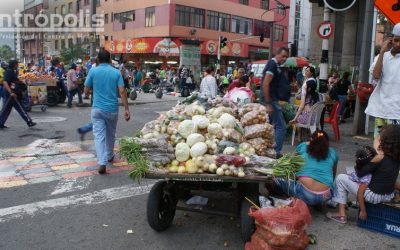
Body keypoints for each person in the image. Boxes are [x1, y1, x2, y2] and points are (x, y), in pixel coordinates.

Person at [327, 124, 400, 224]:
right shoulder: (396, 158)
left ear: (384, 140)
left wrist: (362, 160)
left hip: (374, 196)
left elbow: (360, 173)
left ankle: (341, 214)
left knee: (341, 178)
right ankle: (338, 202)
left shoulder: (380, 157)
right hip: (388, 195)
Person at [84, 49, 131, 174]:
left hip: (97, 109)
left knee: (99, 136)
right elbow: (122, 91)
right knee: (110, 134)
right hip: (112, 110)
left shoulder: (93, 71)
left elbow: (86, 91)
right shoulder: (116, 73)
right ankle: (110, 155)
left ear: (98, 60)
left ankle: (102, 162)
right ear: (110, 60)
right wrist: (126, 109)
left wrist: (88, 94)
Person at [274, 130, 338, 205]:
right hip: (326, 196)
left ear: (310, 140)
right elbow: (333, 175)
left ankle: (298, 198)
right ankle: (313, 202)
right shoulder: (333, 152)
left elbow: (292, 167)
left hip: (307, 193)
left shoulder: (303, 146)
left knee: (275, 179)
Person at [366, 23, 400, 139]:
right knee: (378, 146)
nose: (398, 44)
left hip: (397, 113)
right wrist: (381, 53)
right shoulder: (382, 57)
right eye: (396, 40)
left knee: (395, 149)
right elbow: (375, 76)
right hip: (381, 111)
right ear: (391, 39)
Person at [260, 47, 291, 158]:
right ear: (277, 54)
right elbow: (265, 83)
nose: (284, 59)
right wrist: (268, 103)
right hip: (270, 100)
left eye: (286, 57)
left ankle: (268, 150)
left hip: (273, 99)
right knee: (281, 126)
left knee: (269, 127)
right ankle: (276, 152)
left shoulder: (276, 65)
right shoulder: (272, 65)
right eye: (283, 56)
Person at [0, 60, 36, 129]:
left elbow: (13, 81)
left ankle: (1, 123)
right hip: (11, 93)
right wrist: (11, 92)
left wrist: (21, 82)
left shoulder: (14, 71)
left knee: (6, 109)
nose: (18, 65)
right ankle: (29, 122)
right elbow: (5, 83)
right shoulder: (9, 71)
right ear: (14, 65)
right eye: (17, 64)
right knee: (20, 107)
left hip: (12, 92)